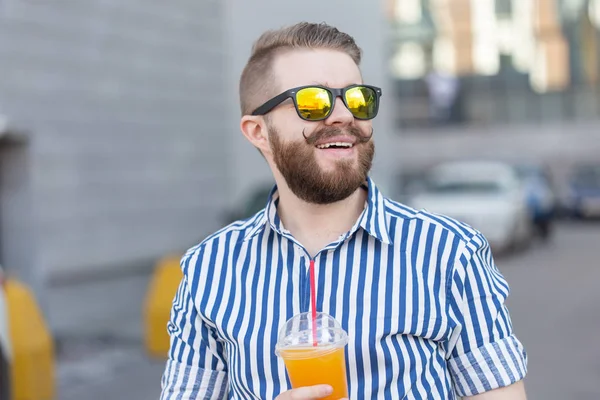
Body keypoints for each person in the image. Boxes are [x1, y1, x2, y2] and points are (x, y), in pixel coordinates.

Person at [160, 22, 528, 400]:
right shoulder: (209, 268)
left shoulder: (450, 252)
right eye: (314, 101)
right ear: (257, 131)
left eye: (358, 99)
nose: (343, 116)